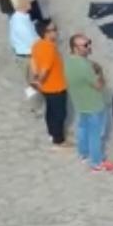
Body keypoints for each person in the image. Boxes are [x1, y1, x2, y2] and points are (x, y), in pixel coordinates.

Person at [66, 33, 113, 172]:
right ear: (75, 48)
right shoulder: (84, 66)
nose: (89, 47)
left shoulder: (68, 61)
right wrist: (100, 72)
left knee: (83, 128)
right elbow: (99, 85)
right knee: (96, 134)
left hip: (79, 102)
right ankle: (96, 162)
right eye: (85, 45)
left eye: (89, 42)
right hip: (93, 103)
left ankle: (84, 154)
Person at [30, 19, 70, 148]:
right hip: (56, 86)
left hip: (46, 87)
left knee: (50, 111)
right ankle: (59, 140)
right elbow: (45, 69)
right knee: (60, 113)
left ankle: (52, 133)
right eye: (54, 30)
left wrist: (36, 80)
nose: (56, 32)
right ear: (46, 33)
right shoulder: (49, 48)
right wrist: (39, 80)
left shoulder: (37, 44)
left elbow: (33, 62)